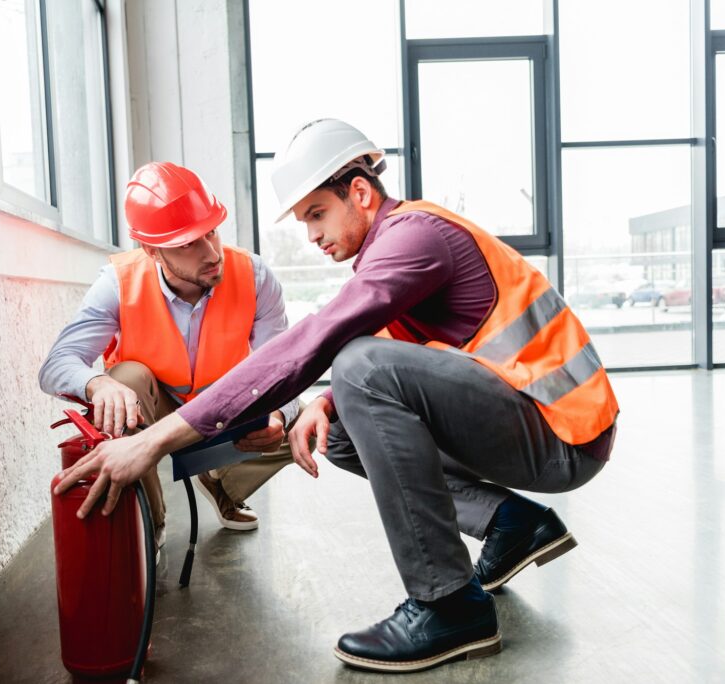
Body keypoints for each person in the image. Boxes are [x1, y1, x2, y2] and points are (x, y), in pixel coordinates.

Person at [54, 120, 618, 674]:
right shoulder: (390, 250)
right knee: (339, 425)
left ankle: (449, 605)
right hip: (530, 421)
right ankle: (508, 521)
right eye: (305, 223)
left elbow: (319, 342)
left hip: (562, 430)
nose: (313, 237)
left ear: (361, 193)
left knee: (356, 368)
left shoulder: (414, 238)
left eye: (317, 215)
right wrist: (323, 405)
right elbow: (392, 353)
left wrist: (155, 440)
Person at [40, 161, 298, 545]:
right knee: (122, 379)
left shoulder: (255, 276)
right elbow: (55, 366)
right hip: (152, 412)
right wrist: (96, 384)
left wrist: (278, 414)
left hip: (224, 415)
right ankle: (151, 522)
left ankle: (222, 483)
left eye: (210, 231)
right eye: (188, 243)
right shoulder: (117, 282)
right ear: (151, 249)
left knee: (310, 419)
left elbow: (284, 370)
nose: (211, 252)